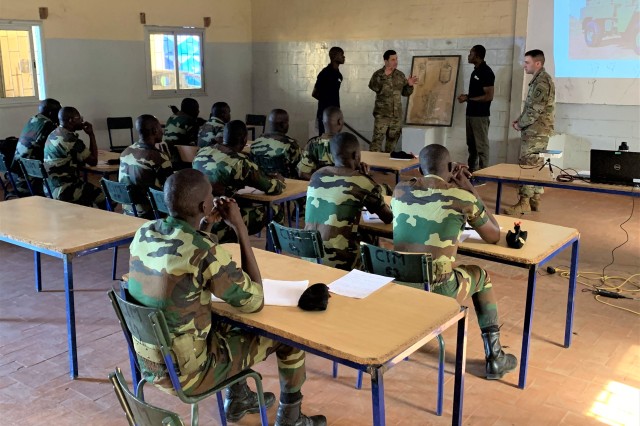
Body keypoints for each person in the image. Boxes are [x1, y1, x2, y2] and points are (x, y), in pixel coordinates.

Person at [127, 168, 326, 426]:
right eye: (211, 195)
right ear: (203, 204)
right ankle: (291, 417)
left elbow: (188, 256)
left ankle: (239, 398)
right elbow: (254, 300)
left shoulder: (144, 233)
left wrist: (206, 225)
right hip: (190, 374)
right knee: (288, 336)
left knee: (225, 322)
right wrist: (241, 229)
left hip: (153, 365)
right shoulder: (203, 251)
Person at [392, 144, 517, 380]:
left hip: (401, 287)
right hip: (438, 289)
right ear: (450, 168)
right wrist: (468, 186)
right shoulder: (462, 197)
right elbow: (493, 235)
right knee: (482, 276)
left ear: (419, 169)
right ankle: (495, 356)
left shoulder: (400, 190)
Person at [304, 132, 392, 270]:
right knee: (371, 236)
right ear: (356, 155)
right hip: (341, 261)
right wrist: (366, 177)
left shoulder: (317, 175)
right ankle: (370, 273)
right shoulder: (363, 182)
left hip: (309, 255)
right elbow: (388, 217)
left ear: (332, 155)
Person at [193, 120, 286, 240]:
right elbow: (273, 188)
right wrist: (279, 180)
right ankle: (275, 254)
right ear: (244, 140)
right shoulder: (240, 162)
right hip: (220, 223)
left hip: (199, 219)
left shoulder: (203, 151)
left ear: (223, 137)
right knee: (275, 210)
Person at [505, 49, 555, 215]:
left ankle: (524, 202)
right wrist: (520, 120)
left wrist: (521, 124)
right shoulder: (540, 80)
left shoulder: (542, 82)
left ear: (538, 63)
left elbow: (535, 110)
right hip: (537, 129)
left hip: (536, 132)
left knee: (528, 164)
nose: (524, 65)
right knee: (536, 164)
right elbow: (531, 107)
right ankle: (535, 200)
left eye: (527, 62)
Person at [44, 107, 106, 208]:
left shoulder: (53, 134)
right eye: (79, 118)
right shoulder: (70, 139)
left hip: (49, 187)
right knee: (105, 197)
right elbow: (93, 161)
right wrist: (91, 134)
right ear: (71, 120)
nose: (82, 120)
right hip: (64, 190)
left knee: (86, 189)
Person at [118, 115, 173, 218]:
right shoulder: (158, 157)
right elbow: (169, 188)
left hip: (128, 210)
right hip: (149, 213)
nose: (162, 131)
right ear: (155, 130)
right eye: (161, 128)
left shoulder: (126, 152)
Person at [368, 50, 417, 153]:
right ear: (386, 61)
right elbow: (374, 87)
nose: (396, 61)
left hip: (396, 117)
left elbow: (406, 93)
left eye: (396, 59)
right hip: (382, 115)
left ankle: (388, 166)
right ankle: (372, 166)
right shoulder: (378, 75)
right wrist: (384, 76)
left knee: (392, 144)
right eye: (393, 59)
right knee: (376, 143)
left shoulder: (400, 75)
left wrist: (409, 84)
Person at [10, 99, 62, 196]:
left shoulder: (34, 119)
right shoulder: (48, 125)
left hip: (20, 174)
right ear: (51, 113)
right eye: (58, 112)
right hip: (32, 180)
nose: (60, 116)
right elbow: (56, 147)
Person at [457, 45, 495, 173]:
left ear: (477, 56)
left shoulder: (486, 72)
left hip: (480, 116)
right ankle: (472, 171)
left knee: (481, 146)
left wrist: (468, 98)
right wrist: (467, 97)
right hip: (471, 114)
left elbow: (489, 96)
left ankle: (484, 173)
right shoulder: (475, 71)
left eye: (471, 54)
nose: (469, 56)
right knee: (471, 146)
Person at [250, 108, 301, 178]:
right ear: (283, 125)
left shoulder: (256, 143)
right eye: (287, 122)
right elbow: (299, 170)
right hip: (287, 185)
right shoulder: (291, 145)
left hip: (260, 185)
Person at [297, 106, 344, 180]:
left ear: (323, 122)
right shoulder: (346, 143)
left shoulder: (312, 144)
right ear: (340, 122)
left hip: (319, 189)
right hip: (342, 188)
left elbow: (302, 173)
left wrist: (321, 182)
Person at [312, 47, 344, 135]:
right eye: (341, 55)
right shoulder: (325, 73)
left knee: (335, 139)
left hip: (336, 112)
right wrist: (326, 103)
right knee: (324, 137)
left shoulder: (339, 75)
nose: (344, 57)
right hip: (325, 113)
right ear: (334, 56)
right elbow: (314, 93)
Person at [163, 98, 201, 165]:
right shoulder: (190, 121)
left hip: (167, 157)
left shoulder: (172, 117)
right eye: (197, 109)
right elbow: (194, 146)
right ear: (191, 110)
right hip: (181, 160)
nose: (198, 111)